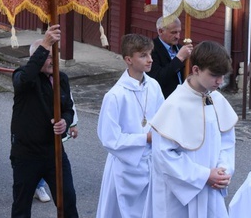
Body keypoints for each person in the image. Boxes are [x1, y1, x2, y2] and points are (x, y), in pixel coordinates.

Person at [146, 40, 237, 218]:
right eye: (214, 75)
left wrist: (222, 171)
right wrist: (203, 175)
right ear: (196, 70)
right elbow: (163, 155)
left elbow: (227, 142)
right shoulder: (175, 105)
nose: (220, 81)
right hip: (180, 194)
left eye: (223, 76)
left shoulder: (217, 100)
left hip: (211, 187)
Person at [10, 24, 79, 218]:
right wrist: (45, 44)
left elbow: (68, 109)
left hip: (54, 151)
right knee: (22, 206)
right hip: (27, 153)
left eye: (53, 55)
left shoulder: (61, 78)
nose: (52, 59)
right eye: (47, 55)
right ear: (35, 58)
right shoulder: (23, 77)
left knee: (67, 200)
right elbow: (25, 78)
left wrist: (65, 121)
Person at [96, 34, 165, 218]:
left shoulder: (154, 86)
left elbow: (163, 119)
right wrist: (146, 138)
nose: (150, 59)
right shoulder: (115, 96)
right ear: (128, 60)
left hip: (151, 164)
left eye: (150, 54)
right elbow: (110, 139)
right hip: (125, 168)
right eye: (143, 55)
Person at [148, 16, 193, 98]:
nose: (178, 36)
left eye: (179, 32)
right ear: (160, 31)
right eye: (173, 32)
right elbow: (158, 78)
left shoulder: (180, 48)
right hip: (164, 98)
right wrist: (179, 58)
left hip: (182, 96)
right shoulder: (151, 49)